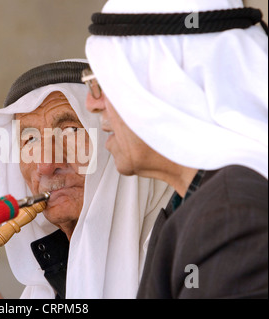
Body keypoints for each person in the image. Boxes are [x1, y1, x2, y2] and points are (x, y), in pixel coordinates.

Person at [0, 60, 173, 299]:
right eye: (30, 139)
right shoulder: (46, 285)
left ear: (112, 136)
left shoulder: (179, 255)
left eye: (71, 131)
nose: (46, 165)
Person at [83, 0, 268, 298]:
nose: (92, 103)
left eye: (102, 81)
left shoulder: (233, 215)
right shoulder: (198, 202)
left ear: (163, 85)